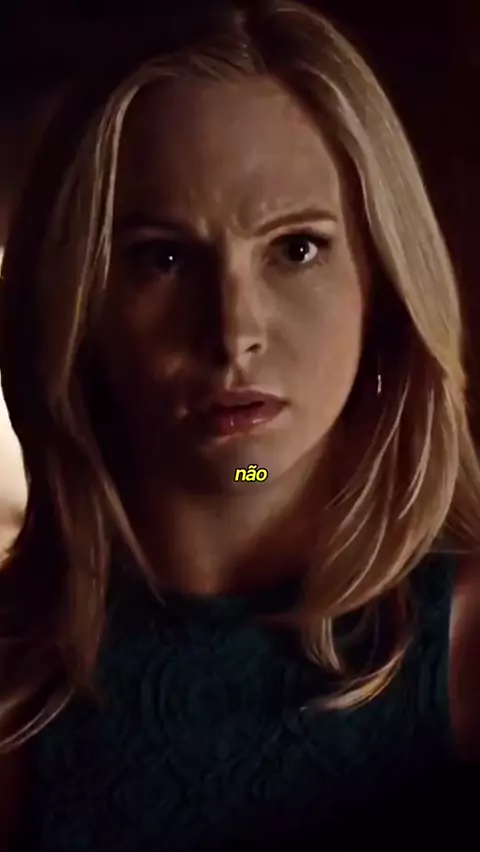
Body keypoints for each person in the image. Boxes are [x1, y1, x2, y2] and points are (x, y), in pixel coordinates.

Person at [1, 1, 480, 849]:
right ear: (80, 301)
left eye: (296, 248)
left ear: (380, 279)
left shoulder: (467, 645)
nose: (234, 331)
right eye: (163, 257)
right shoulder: (17, 679)